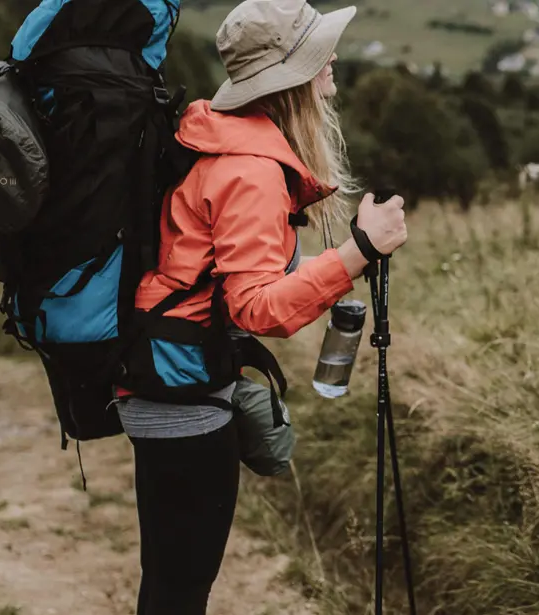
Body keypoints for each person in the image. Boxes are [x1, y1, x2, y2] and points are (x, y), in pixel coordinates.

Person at [116, 0, 408, 612]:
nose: (331, 60)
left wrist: (336, 264)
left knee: (173, 579)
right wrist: (359, 249)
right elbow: (256, 307)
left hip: (168, 382)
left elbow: (232, 270)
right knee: (179, 586)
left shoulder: (218, 142)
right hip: (183, 399)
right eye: (315, 52)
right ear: (286, 77)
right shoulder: (250, 169)